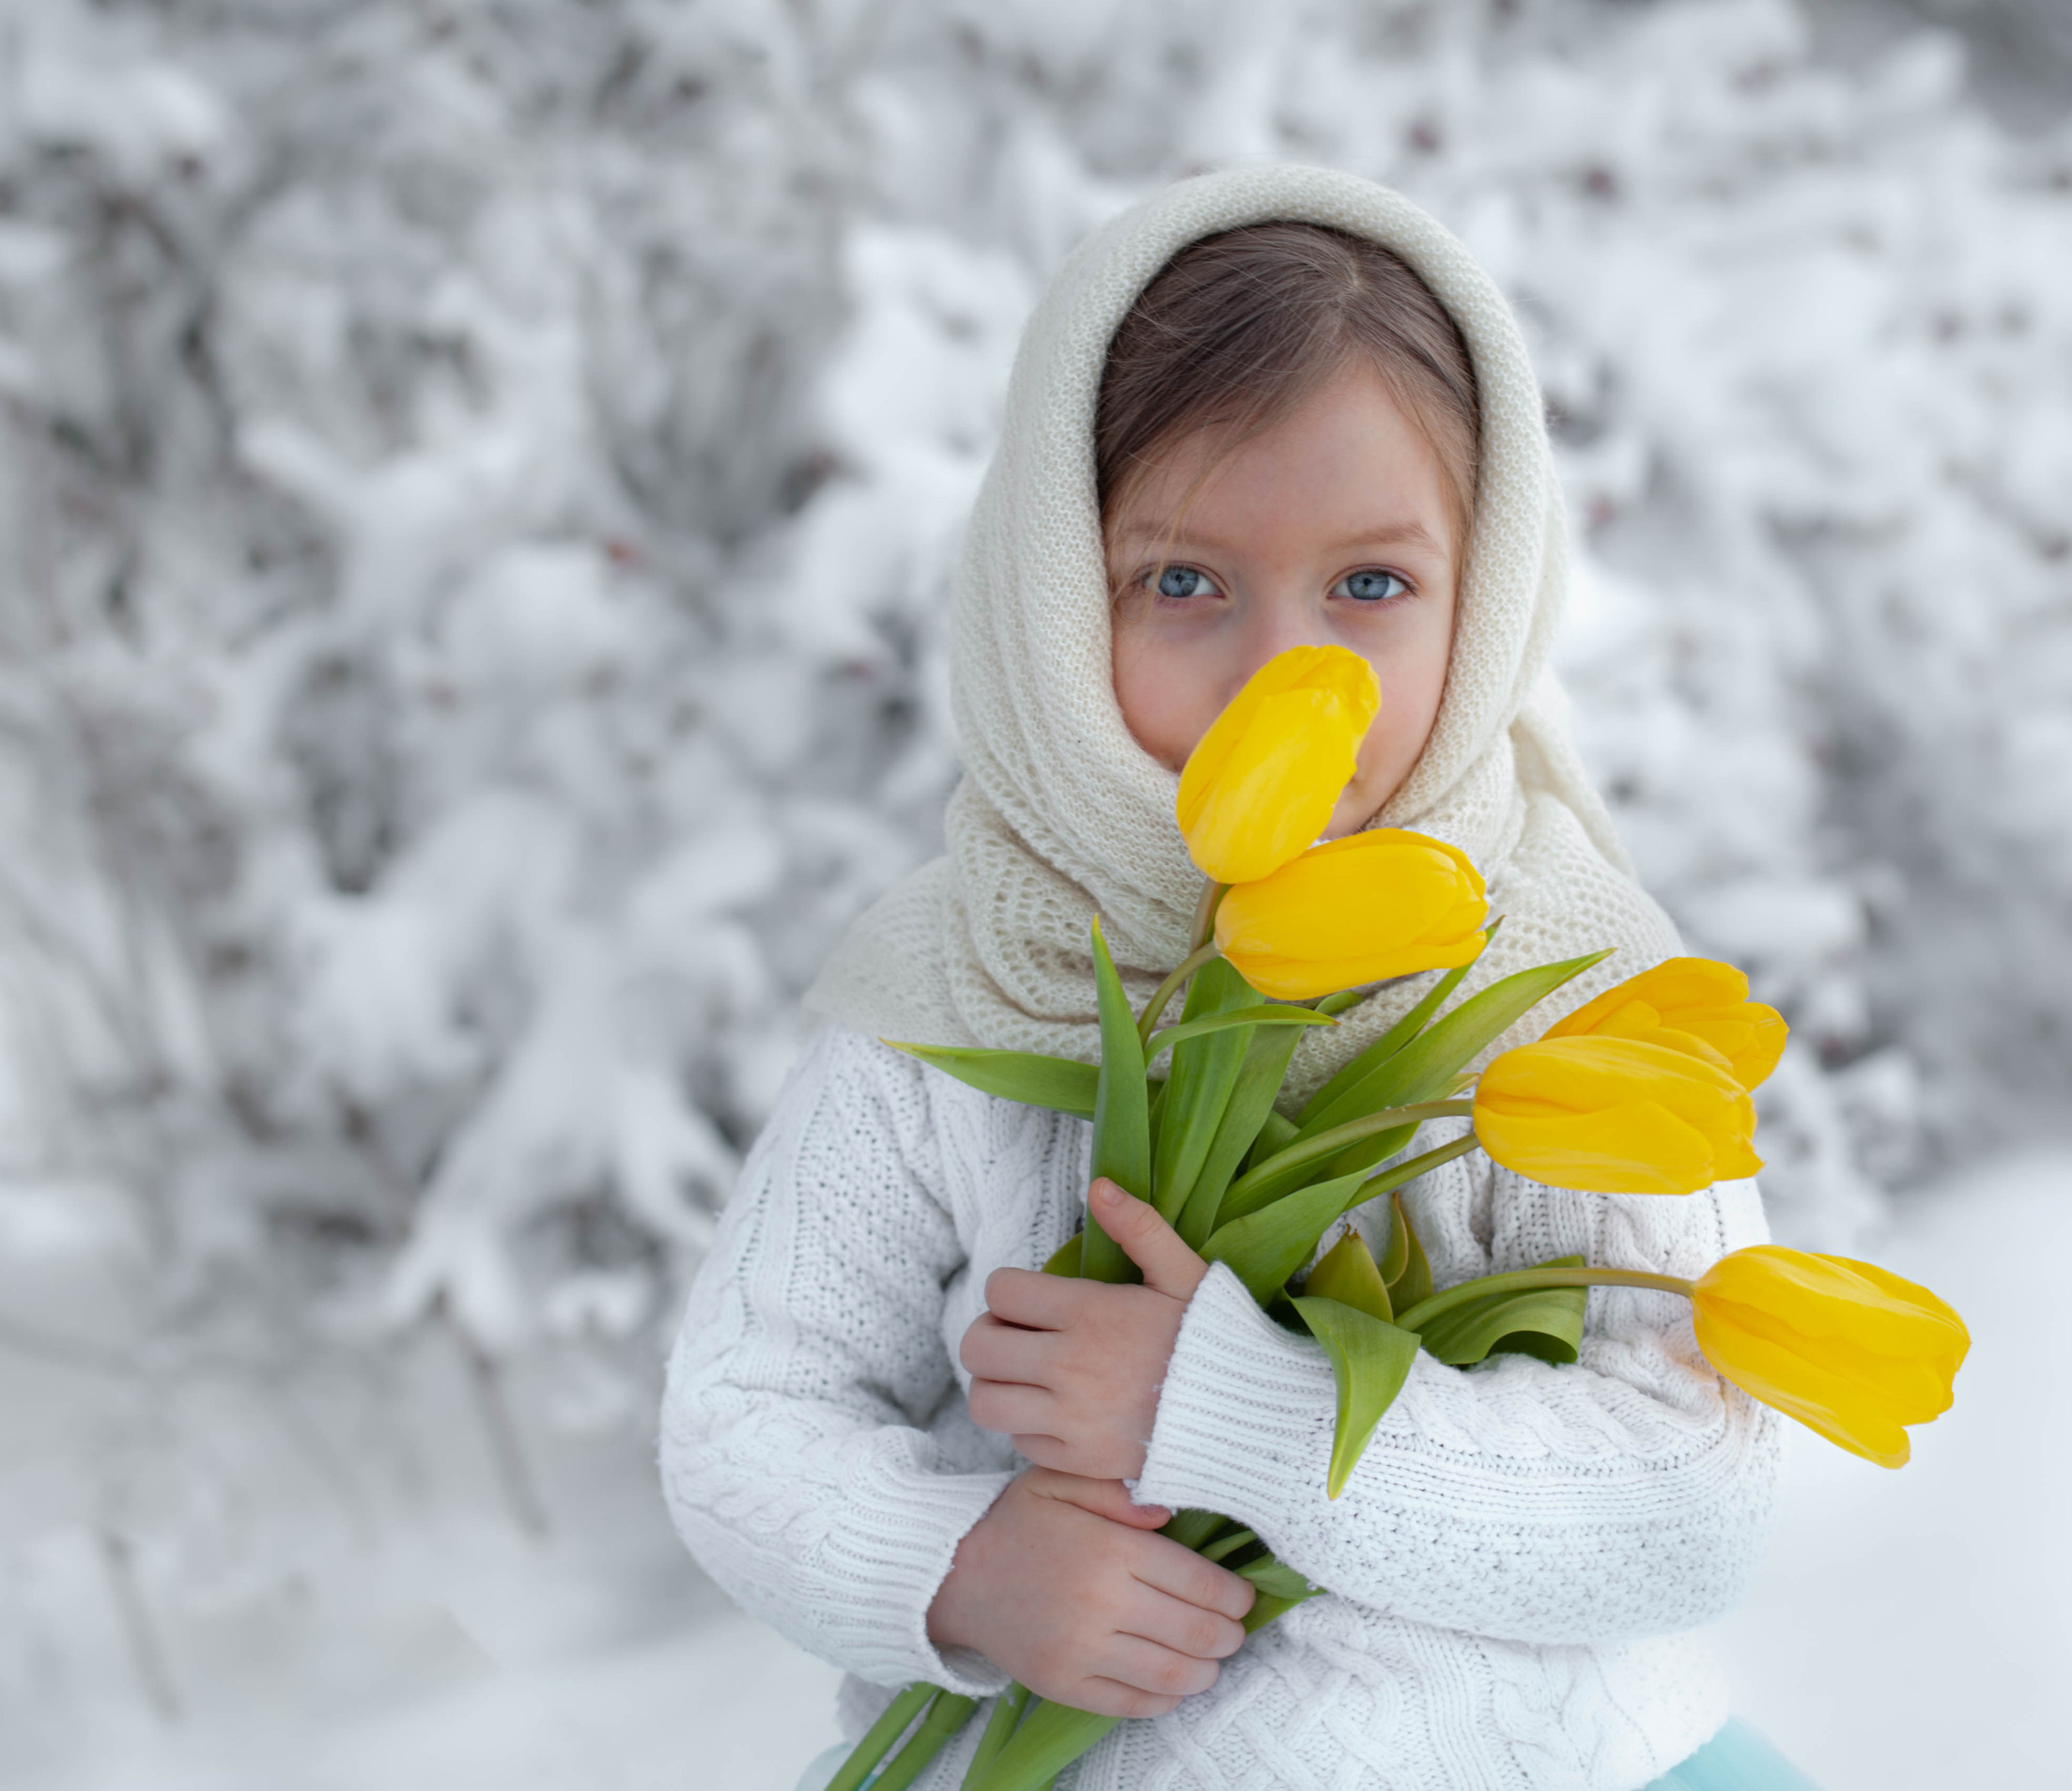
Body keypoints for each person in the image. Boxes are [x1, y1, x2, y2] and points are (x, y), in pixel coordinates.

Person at [660, 166, 1815, 1791]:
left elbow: (1689, 1502)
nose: (1292, 675)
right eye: (1187, 583)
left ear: (1484, 599)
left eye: (1372, 586)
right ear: (1055, 593)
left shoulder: (1573, 982)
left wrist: (1246, 1417)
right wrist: (967, 1567)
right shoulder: (964, 989)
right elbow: (746, 1409)